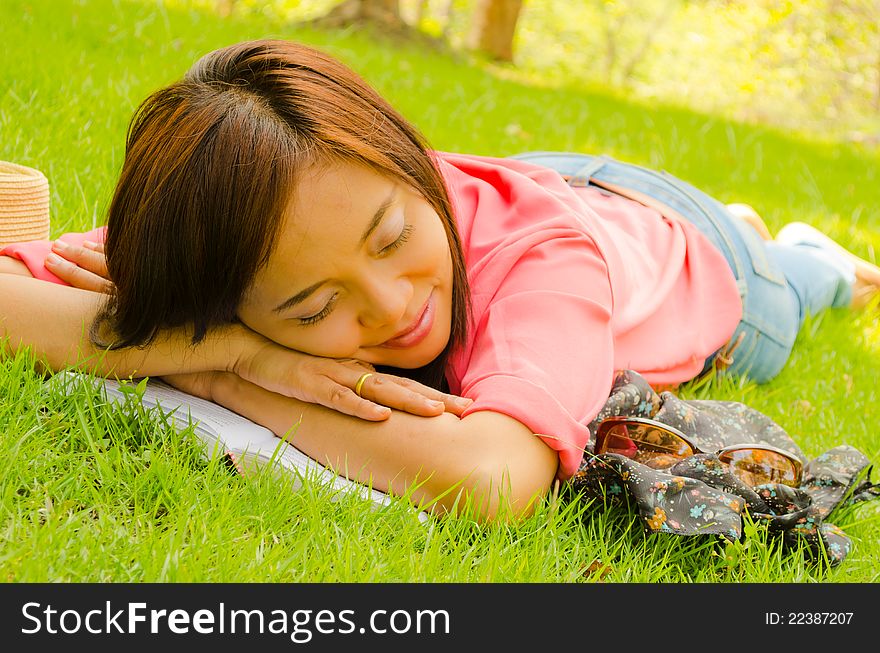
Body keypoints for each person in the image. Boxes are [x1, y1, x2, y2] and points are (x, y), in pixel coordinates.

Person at [1, 39, 878, 522]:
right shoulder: (256, 210)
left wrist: (208, 366)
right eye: (314, 308)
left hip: (696, 254)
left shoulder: (541, 262)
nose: (393, 305)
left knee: (799, 282)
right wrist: (237, 348)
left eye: (390, 240)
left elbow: (494, 480)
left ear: (406, 156)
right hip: (536, 179)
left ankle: (803, 250)